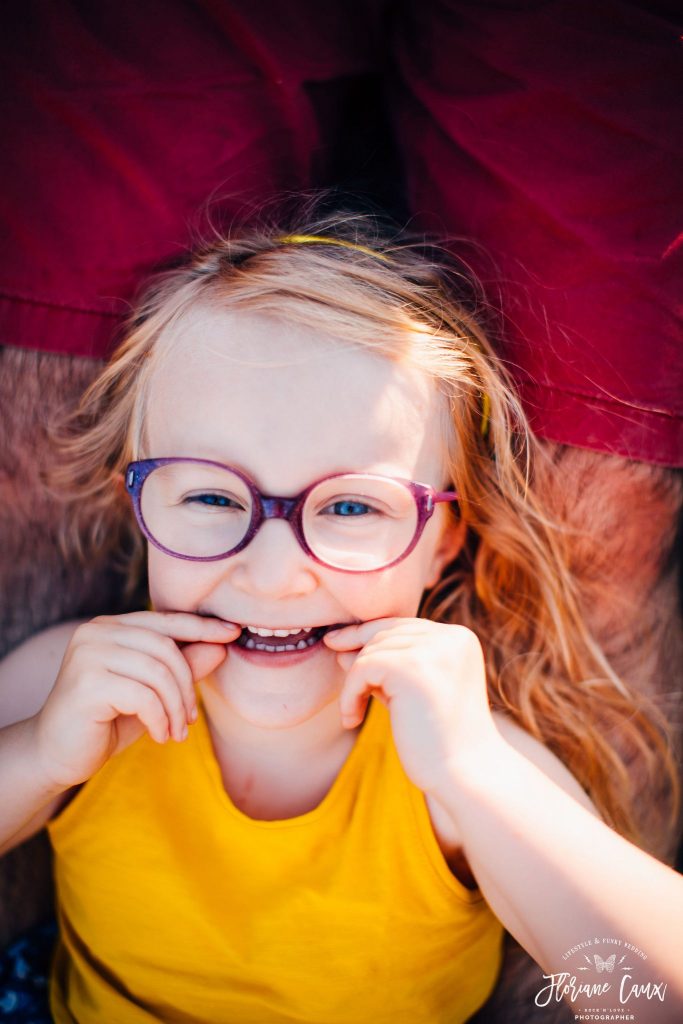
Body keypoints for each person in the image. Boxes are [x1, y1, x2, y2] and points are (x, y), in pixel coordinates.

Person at [0, 208, 681, 1023]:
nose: (276, 573)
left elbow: (652, 1000)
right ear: (138, 505)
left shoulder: (459, 763)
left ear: (441, 541)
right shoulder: (74, 689)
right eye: (212, 496)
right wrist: (38, 755)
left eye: (353, 507)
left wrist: (476, 779)